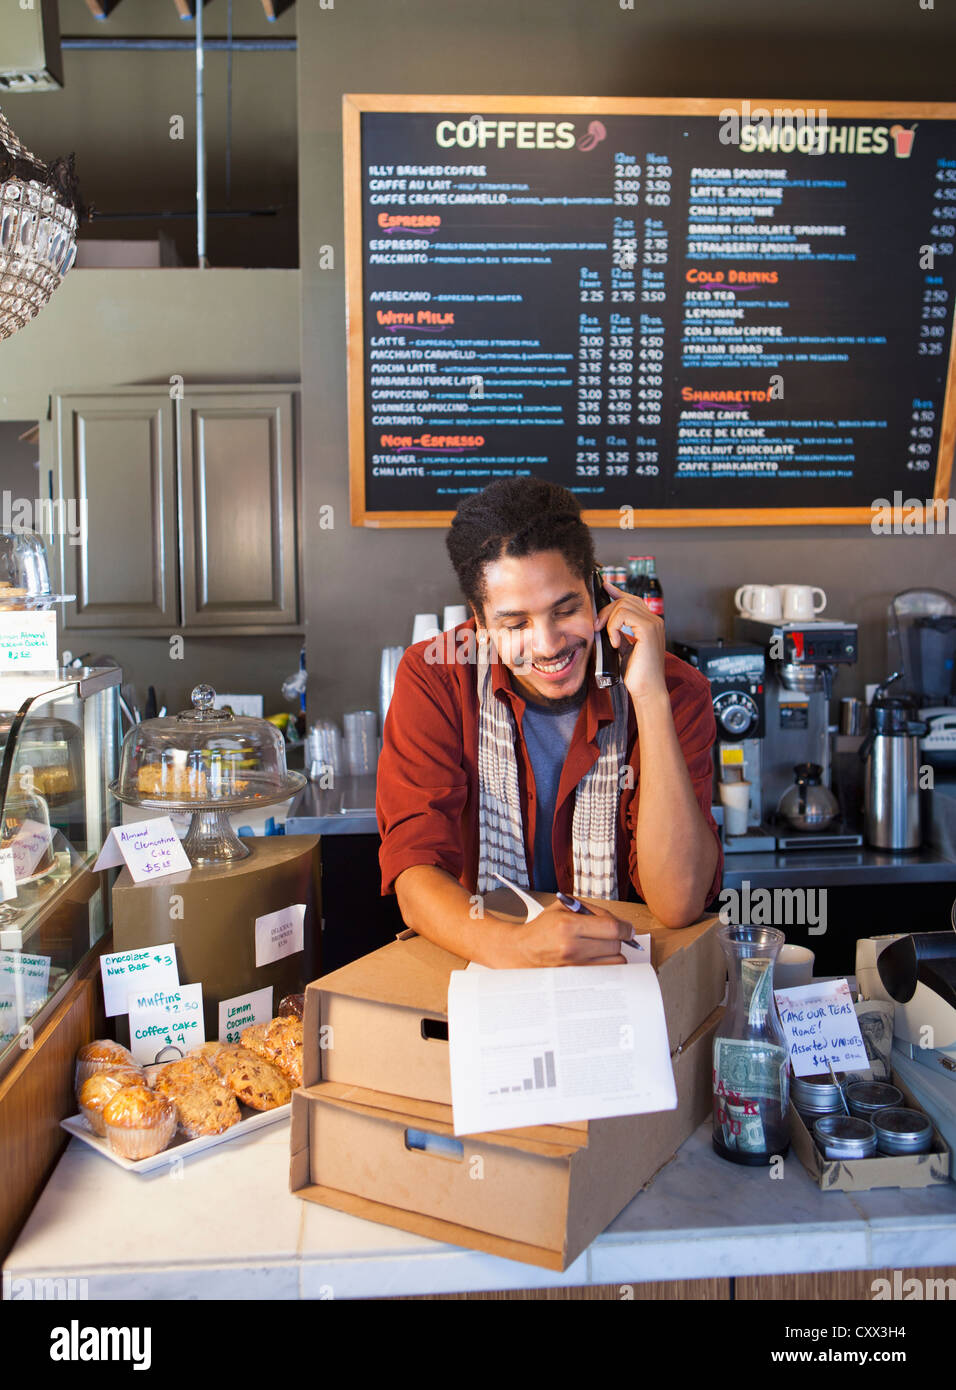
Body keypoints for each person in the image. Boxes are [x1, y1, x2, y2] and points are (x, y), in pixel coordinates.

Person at [376, 478, 722, 967]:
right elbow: (415, 871)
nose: (548, 645)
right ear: (479, 620)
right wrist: (518, 948)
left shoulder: (673, 688)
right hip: (486, 964)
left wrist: (648, 697)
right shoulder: (435, 676)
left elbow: (679, 900)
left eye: (567, 609)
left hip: (623, 975)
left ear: (598, 589)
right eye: (516, 624)